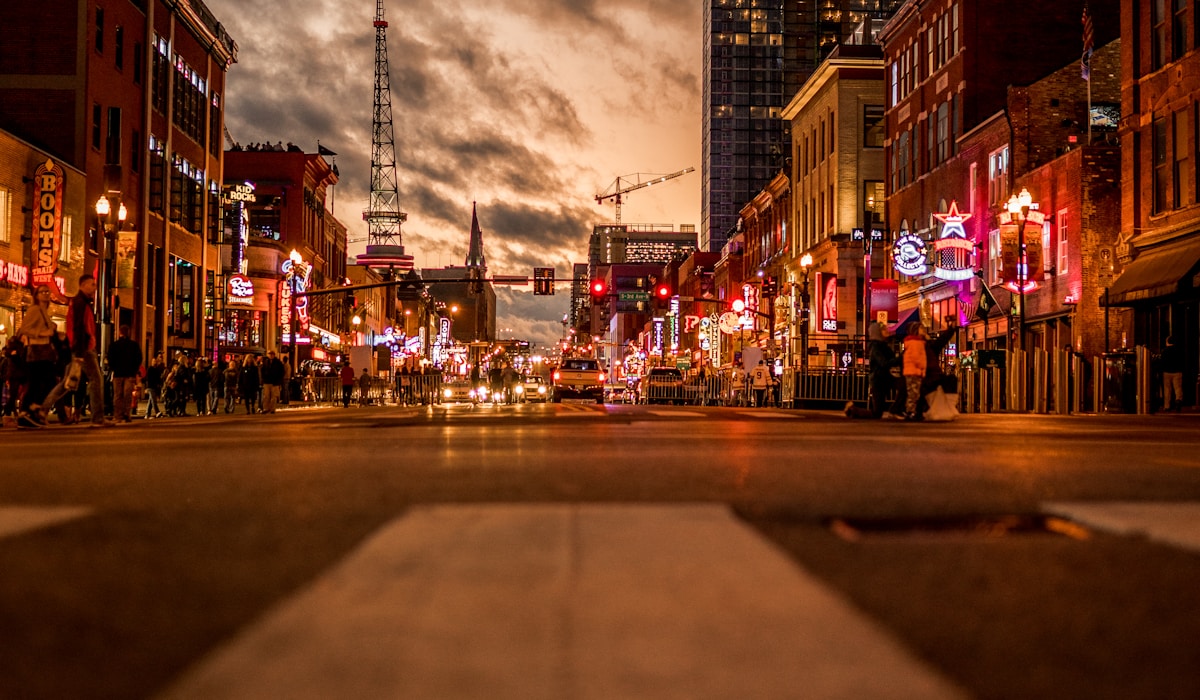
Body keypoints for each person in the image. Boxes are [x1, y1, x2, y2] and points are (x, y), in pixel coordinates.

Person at [40, 274, 112, 427]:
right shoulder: (80, 303)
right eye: (92, 285)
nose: (94, 288)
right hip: (84, 348)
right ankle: (98, 418)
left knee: (68, 382)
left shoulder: (80, 302)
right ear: (83, 285)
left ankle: (43, 410)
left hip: (81, 347)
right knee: (96, 379)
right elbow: (79, 327)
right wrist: (80, 352)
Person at [16, 284, 59, 427]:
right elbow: (24, 329)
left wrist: (51, 328)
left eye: (48, 291)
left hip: (45, 350)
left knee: (46, 381)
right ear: (37, 295)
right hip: (37, 350)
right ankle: (27, 411)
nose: (46, 294)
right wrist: (42, 333)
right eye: (42, 292)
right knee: (40, 382)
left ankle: (32, 409)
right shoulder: (34, 310)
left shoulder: (44, 311)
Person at [107, 325, 143, 423]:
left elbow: (110, 359)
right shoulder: (134, 345)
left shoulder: (114, 345)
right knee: (127, 395)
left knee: (118, 395)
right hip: (129, 374)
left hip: (118, 374)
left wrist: (114, 368)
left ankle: (118, 415)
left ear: (119, 332)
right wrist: (134, 370)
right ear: (128, 332)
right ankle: (126, 413)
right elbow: (139, 359)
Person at [901, 322, 928, 420]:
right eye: (921, 328)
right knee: (914, 393)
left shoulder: (913, 342)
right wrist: (922, 368)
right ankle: (910, 411)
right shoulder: (917, 343)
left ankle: (910, 411)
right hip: (915, 371)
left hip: (911, 370)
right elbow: (918, 357)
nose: (923, 330)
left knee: (912, 392)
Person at [1161, 335, 1183, 412]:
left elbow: (1162, 361)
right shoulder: (1178, 350)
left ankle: (1167, 406)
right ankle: (1178, 400)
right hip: (1177, 371)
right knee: (1178, 388)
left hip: (1167, 372)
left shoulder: (1165, 351)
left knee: (1167, 389)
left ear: (1167, 342)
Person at [144, 353, 165, 419]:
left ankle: (147, 414)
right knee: (153, 400)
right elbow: (148, 378)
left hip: (155, 386)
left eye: (155, 361)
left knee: (151, 400)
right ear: (151, 362)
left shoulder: (157, 369)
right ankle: (157, 412)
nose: (155, 362)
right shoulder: (150, 369)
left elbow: (158, 378)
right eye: (153, 361)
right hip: (151, 387)